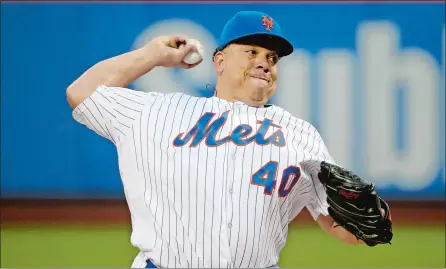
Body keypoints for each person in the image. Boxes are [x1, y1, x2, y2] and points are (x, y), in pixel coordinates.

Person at [67, 11, 385, 268]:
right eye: (251, 52)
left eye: (272, 58)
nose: (264, 62)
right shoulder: (159, 111)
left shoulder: (301, 135)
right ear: (219, 61)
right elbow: (80, 92)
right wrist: (151, 55)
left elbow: (336, 223)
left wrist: (367, 223)